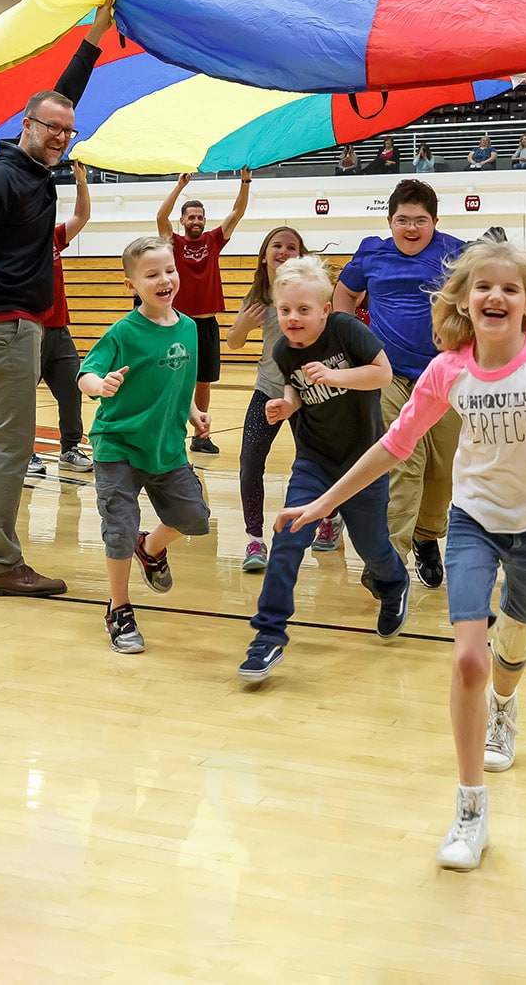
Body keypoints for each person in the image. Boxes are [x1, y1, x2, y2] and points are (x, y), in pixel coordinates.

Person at [279, 239, 526, 871]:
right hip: (474, 522)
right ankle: (471, 809)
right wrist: (321, 503)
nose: (495, 296)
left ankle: (505, 705)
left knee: (512, 648)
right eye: (483, 287)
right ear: (465, 303)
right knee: (469, 656)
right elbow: (391, 447)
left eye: (510, 288)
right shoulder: (449, 370)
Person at [0, 4, 113, 596]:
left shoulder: (36, 169)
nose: (60, 136)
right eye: (50, 127)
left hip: (24, 325)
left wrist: (95, 38)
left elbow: (64, 93)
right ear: (25, 125)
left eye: (68, 130)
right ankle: (1, 562)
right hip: (2, 327)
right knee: (12, 444)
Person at [238, 255, 412, 681]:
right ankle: (269, 633)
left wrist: (336, 378)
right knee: (289, 535)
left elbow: (382, 374)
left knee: (372, 548)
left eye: (303, 310)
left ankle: (392, 583)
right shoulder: (283, 350)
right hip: (313, 461)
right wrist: (286, 405)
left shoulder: (347, 331)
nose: (293, 318)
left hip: (363, 463)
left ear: (324, 310)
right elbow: (298, 393)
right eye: (285, 310)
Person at [77, 236, 213, 653]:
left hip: (166, 448)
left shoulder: (189, 328)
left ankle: (150, 548)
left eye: (169, 270)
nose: (164, 280)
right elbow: (87, 374)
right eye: (151, 274)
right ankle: (119, 609)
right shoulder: (124, 332)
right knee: (117, 530)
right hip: (117, 445)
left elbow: (181, 380)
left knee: (194, 517)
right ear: (131, 285)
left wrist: (193, 413)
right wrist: (101, 385)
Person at [334, 179, 465, 589]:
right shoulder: (372, 252)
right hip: (387, 374)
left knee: (441, 470)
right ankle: (389, 561)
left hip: (444, 377)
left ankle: (428, 537)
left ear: (435, 222)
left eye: (420, 221)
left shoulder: (456, 253)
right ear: (389, 220)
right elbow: (343, 296)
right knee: (401, 463)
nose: (411, 229)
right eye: (402, 220)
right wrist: (353, 339)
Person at [225, 226, 338, 568]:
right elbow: (233, 342)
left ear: (302, 256)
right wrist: (243, 324)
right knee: (250, 463)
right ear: (264, 255)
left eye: (292, 246)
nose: (284, 250)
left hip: (311, 395)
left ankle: (330, 519)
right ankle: (255, 540)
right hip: (269, 391)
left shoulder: (312, 293)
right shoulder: (258, 296)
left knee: (321, 464)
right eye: (277, 245)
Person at [155, 168, 251, 455]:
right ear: (183, 221)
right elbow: (160, 217)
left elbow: (237, 212)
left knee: (204, 381)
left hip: (207, 324)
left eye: (199, 217)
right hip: (180, 324)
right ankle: (169, 434)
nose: (195, 221)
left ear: (204, 220)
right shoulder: (174, 242)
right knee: (173, 378)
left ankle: (201, 435)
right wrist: (178, 186)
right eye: (191, 217)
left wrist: (245, 182)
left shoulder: (213, 240)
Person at [30, 160, 96, 477]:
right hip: (29, 332)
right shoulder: (20, 244)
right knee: (23, 396)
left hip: (59, 331)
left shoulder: (55, 238)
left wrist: (80, 180)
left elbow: (82, 216)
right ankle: (24, 453)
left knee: (72, 389)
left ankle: (70, 449)